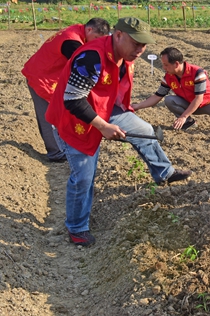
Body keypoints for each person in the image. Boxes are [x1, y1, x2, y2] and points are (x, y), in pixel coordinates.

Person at [45, 18, 192, 246]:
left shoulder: (126, 55)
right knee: (84, 176)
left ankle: (165, 172)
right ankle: (77, 227)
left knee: (145, 130)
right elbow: (73, 100)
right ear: (119, 34)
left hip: (105, 109)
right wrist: (103, 127)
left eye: (143, 45)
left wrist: (122, 108)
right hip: (73, 119)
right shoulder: (91, 57)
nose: (140, 50)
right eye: (136, 43)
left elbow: (116, 84)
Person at [22, 18, 111, 162]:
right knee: (48, 116)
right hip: (41, 77)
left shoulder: (79, 30)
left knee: (59, 111)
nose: (96, 42)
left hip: (51, 76)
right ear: (89, 30)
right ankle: (56, 153)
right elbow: (82, 66)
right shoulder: (72, 42)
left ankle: (64, 144)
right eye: (95, 39)